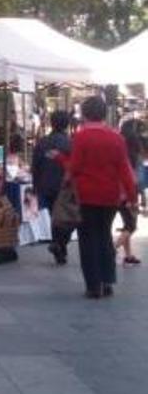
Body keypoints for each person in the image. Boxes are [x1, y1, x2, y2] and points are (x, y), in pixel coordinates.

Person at [64, 96, 137, 299]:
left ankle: (93, 285)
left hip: (87, 194)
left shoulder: (80, 137)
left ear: (85, 114)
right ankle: (107, 282)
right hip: (110, 195)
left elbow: (76, 166)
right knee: (105, 236)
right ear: (104, 113)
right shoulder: (116, 138)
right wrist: (131, 196)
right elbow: (125, 169)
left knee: (87, 239)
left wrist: (66, 171)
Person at [32, 111, 74, 265]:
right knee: (69, 219)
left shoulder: (42, 142)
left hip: (46, 185)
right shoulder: (70, 142)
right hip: (65, 186)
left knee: (54, 217)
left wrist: (35, 185)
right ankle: (60, 244)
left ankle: (59, 248)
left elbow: (35, 165)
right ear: (67, 124)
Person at [116, 118, 143, 266]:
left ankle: (128, 254)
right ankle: (112, 249)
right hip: (128, 192)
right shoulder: (134, 154)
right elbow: (136, 178)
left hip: (119, 191)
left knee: (128, 222)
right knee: (131, 225)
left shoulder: (121, 148)